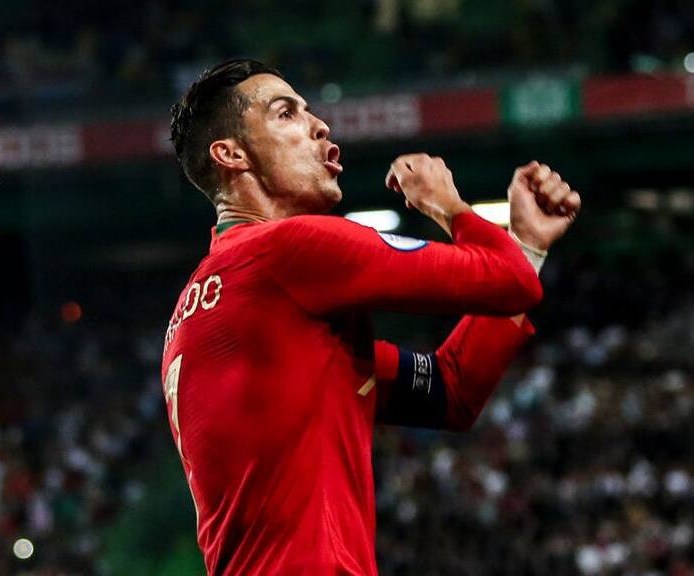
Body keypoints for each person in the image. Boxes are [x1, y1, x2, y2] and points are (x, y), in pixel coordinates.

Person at [162, 58, 580, 575]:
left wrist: (528, 245)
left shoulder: (213, 302)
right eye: (286, 114)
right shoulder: (287, 248)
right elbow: (507, 279)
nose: (320, 125)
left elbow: (450, 390)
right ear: (231, 154)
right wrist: (447, 205)